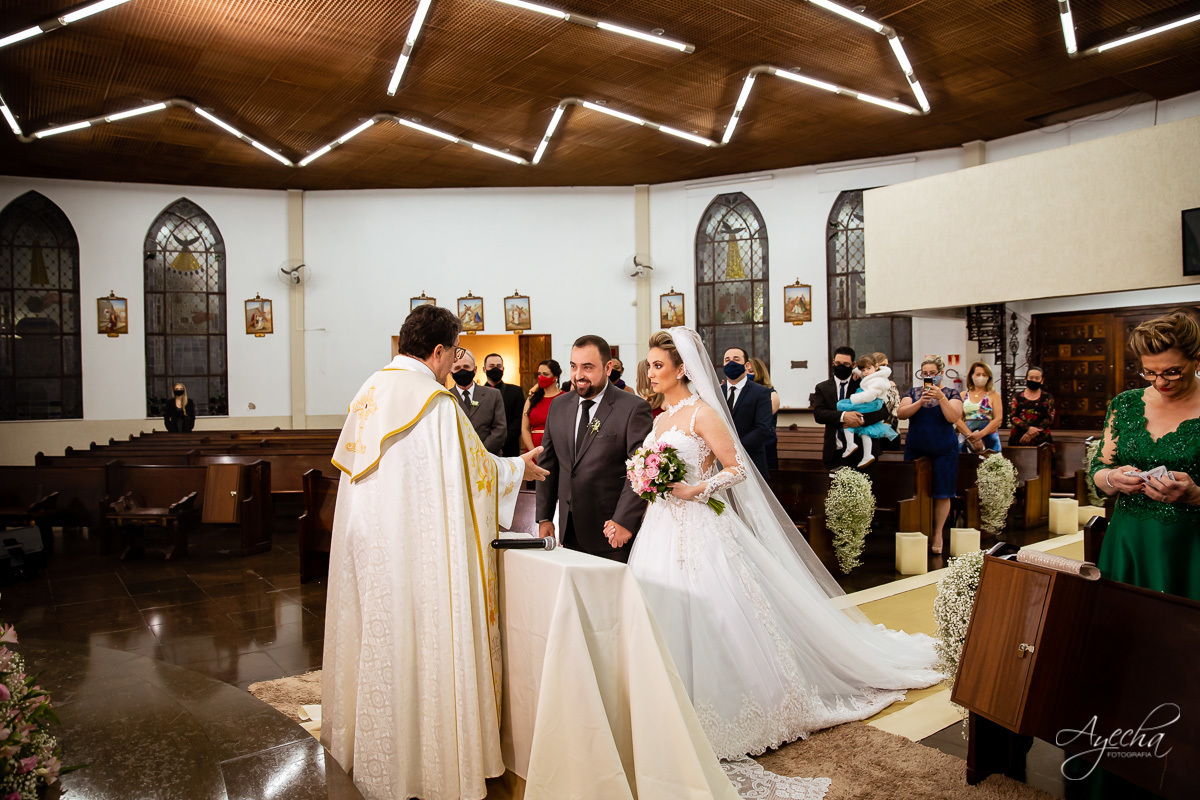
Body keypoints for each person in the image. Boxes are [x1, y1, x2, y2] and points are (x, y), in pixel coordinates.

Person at [628, 327, 939, 764]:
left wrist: (695, 489)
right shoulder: (660, 417)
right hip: (661, 527)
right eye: (650, 364)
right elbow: (654, 468)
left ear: (682, 369)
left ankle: (733, 701)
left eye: (659, 365)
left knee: (718, 610)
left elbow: (736, 470)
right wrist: (647, 482)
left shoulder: (702, 413)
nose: (651, 371)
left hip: (699, 526)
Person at [322, 304, 548, 800]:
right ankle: (431, 758)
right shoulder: (432, 401)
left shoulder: (370, 389)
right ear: (440, 350)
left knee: (379, 638)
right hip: (415, 551)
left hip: (373, 544)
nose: (454, 367)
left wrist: (508, 463)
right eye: (454, 354)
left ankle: (373, 749)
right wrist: (517, 469)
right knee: (423, 638)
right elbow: (474, 475)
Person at [1091, 312, 1200, 600]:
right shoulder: (1125, 405)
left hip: (1191, 547)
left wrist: (1195, 495)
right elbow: (1099, 469)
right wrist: (1113, 479)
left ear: (1197, 359)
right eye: (1149, 372)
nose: (1160, 382)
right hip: (1129, 542)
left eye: (1172, 371)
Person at [535, 335, 653, 562]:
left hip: (612, 531)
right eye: (573, 366)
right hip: (568, 529)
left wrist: (624, 520)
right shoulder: (559, 406)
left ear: (608, 367)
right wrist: (545, 517)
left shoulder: (633, 408)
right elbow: (548, 464)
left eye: (587, 367)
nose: (579, 375)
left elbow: (639, 472)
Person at [896, 356, 963, 555]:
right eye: (924, 373)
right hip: (917, 447)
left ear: (940, 374)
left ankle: (937, 533)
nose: (928, 376)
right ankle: (916, 531)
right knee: (914, 491)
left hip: (944, 449)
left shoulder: (952, 394)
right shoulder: (913, 393)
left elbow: (954, 417)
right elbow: (901, 413)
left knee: (942, 493)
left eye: (932, 373)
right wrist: (920, 402)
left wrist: (940, 397)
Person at [811, 346, 890, 471]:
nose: (840, 366)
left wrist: (861, 420)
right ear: (833, 362)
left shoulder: (864, 383)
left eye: (845, 364)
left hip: (863, 451)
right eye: (837, 363)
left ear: (853, 365)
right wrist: (844, 416)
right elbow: (819, 414)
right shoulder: (823, 387)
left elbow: (883, 411)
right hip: (835, 451)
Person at [835, 354, 899, 468]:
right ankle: (861, 451)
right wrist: (857, 371)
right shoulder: (869, 375)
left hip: (871, 403)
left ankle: (854, 447)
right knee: (865, 430)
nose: (865, 372)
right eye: (863, 370)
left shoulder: (879, 381)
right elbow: (864, 372)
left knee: (843, 406)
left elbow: (883, 409)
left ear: (876, 367)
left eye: (868, 369)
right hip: (868, 403)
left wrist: (855, 400)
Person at [720, 346, 774, 478]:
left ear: (746, 364)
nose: (731, 363)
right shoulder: (717, 392)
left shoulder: (761, 392)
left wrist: (735, 449)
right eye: (727, 360)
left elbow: (763, 428)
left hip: (751, 459)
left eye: (736, 359)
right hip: (721, 463)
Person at [450, 349, 507, 455]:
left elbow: (500, 428)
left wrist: (481, 452)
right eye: (457, 368)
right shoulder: (446, 398)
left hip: (490, 458)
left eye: (466, 367)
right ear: (450, 373)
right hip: (459, 459)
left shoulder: (493, 394)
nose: (462, 371)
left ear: (475, 370)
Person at [956, 361, 1003, 453]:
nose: (981, 377)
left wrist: (980, 435)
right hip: (967, 436)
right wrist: (971, 436)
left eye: (984, 375)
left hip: (988, 436)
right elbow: (958, 419)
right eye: (978, 374)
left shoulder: (994, 395)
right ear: (971, 376)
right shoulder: (963, 395)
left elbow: (998, 419)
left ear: (989, 377)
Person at [483, 353, 524, 457]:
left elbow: (519, 419)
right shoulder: (477, 393)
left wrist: (502, 439)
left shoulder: (516, 391)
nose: (495, 369)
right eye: (491, 366)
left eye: (498, 366)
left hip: (509, 448)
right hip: (483, 448)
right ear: (484, 369)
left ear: (503, 369)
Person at [521, 359, 564, 451]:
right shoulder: (532, 398)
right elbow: (525, 428)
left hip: (556, 447)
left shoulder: (564, 398)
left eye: (546, 374)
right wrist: (533, 451)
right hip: (533, 448)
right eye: (539, 374)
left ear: (555, 376)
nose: (541, 377)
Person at [1008, 366, 1055, 449]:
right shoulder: (1017, 397)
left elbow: (1049, 418)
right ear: (1026, 379)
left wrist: (1033, 431)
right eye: (1031, 377)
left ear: (1042, 380)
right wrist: (1028, 429)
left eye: (1037, 378)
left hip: (1041, 438)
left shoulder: (1048, 397)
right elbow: (1013, 417)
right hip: (1020, 437)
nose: (1033, 380)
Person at [746, 357, 780, 471]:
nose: (746, 375)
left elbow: (757, 417)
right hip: (746, 443)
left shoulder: (771, 395)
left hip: (764, 445)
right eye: (744, 371)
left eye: (750, 371)